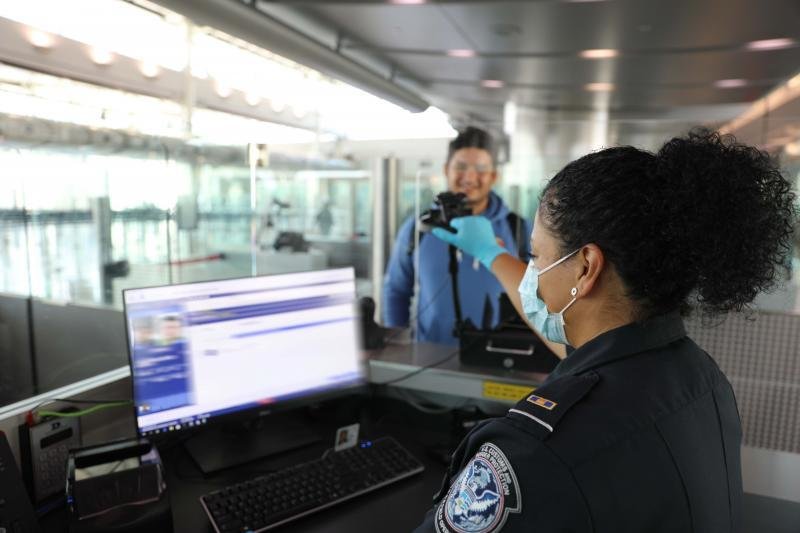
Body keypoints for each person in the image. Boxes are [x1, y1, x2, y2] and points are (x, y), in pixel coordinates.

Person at [414, 129, 797, 532]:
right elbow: (589, 358)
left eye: (535, 255)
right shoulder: (701, 378)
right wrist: (492, 254)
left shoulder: (536, 450)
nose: (531, 273)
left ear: (586, 267)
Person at [382, 126, 532, 345]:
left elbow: (537, 295)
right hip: (427, 356)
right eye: (460, 166)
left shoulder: (518, 229)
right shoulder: (419, 229)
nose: (469, 177)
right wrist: (397, 347)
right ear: (446, 169)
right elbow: (396, 291)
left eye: (480, 168)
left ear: (494, 176)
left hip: (497, 358)